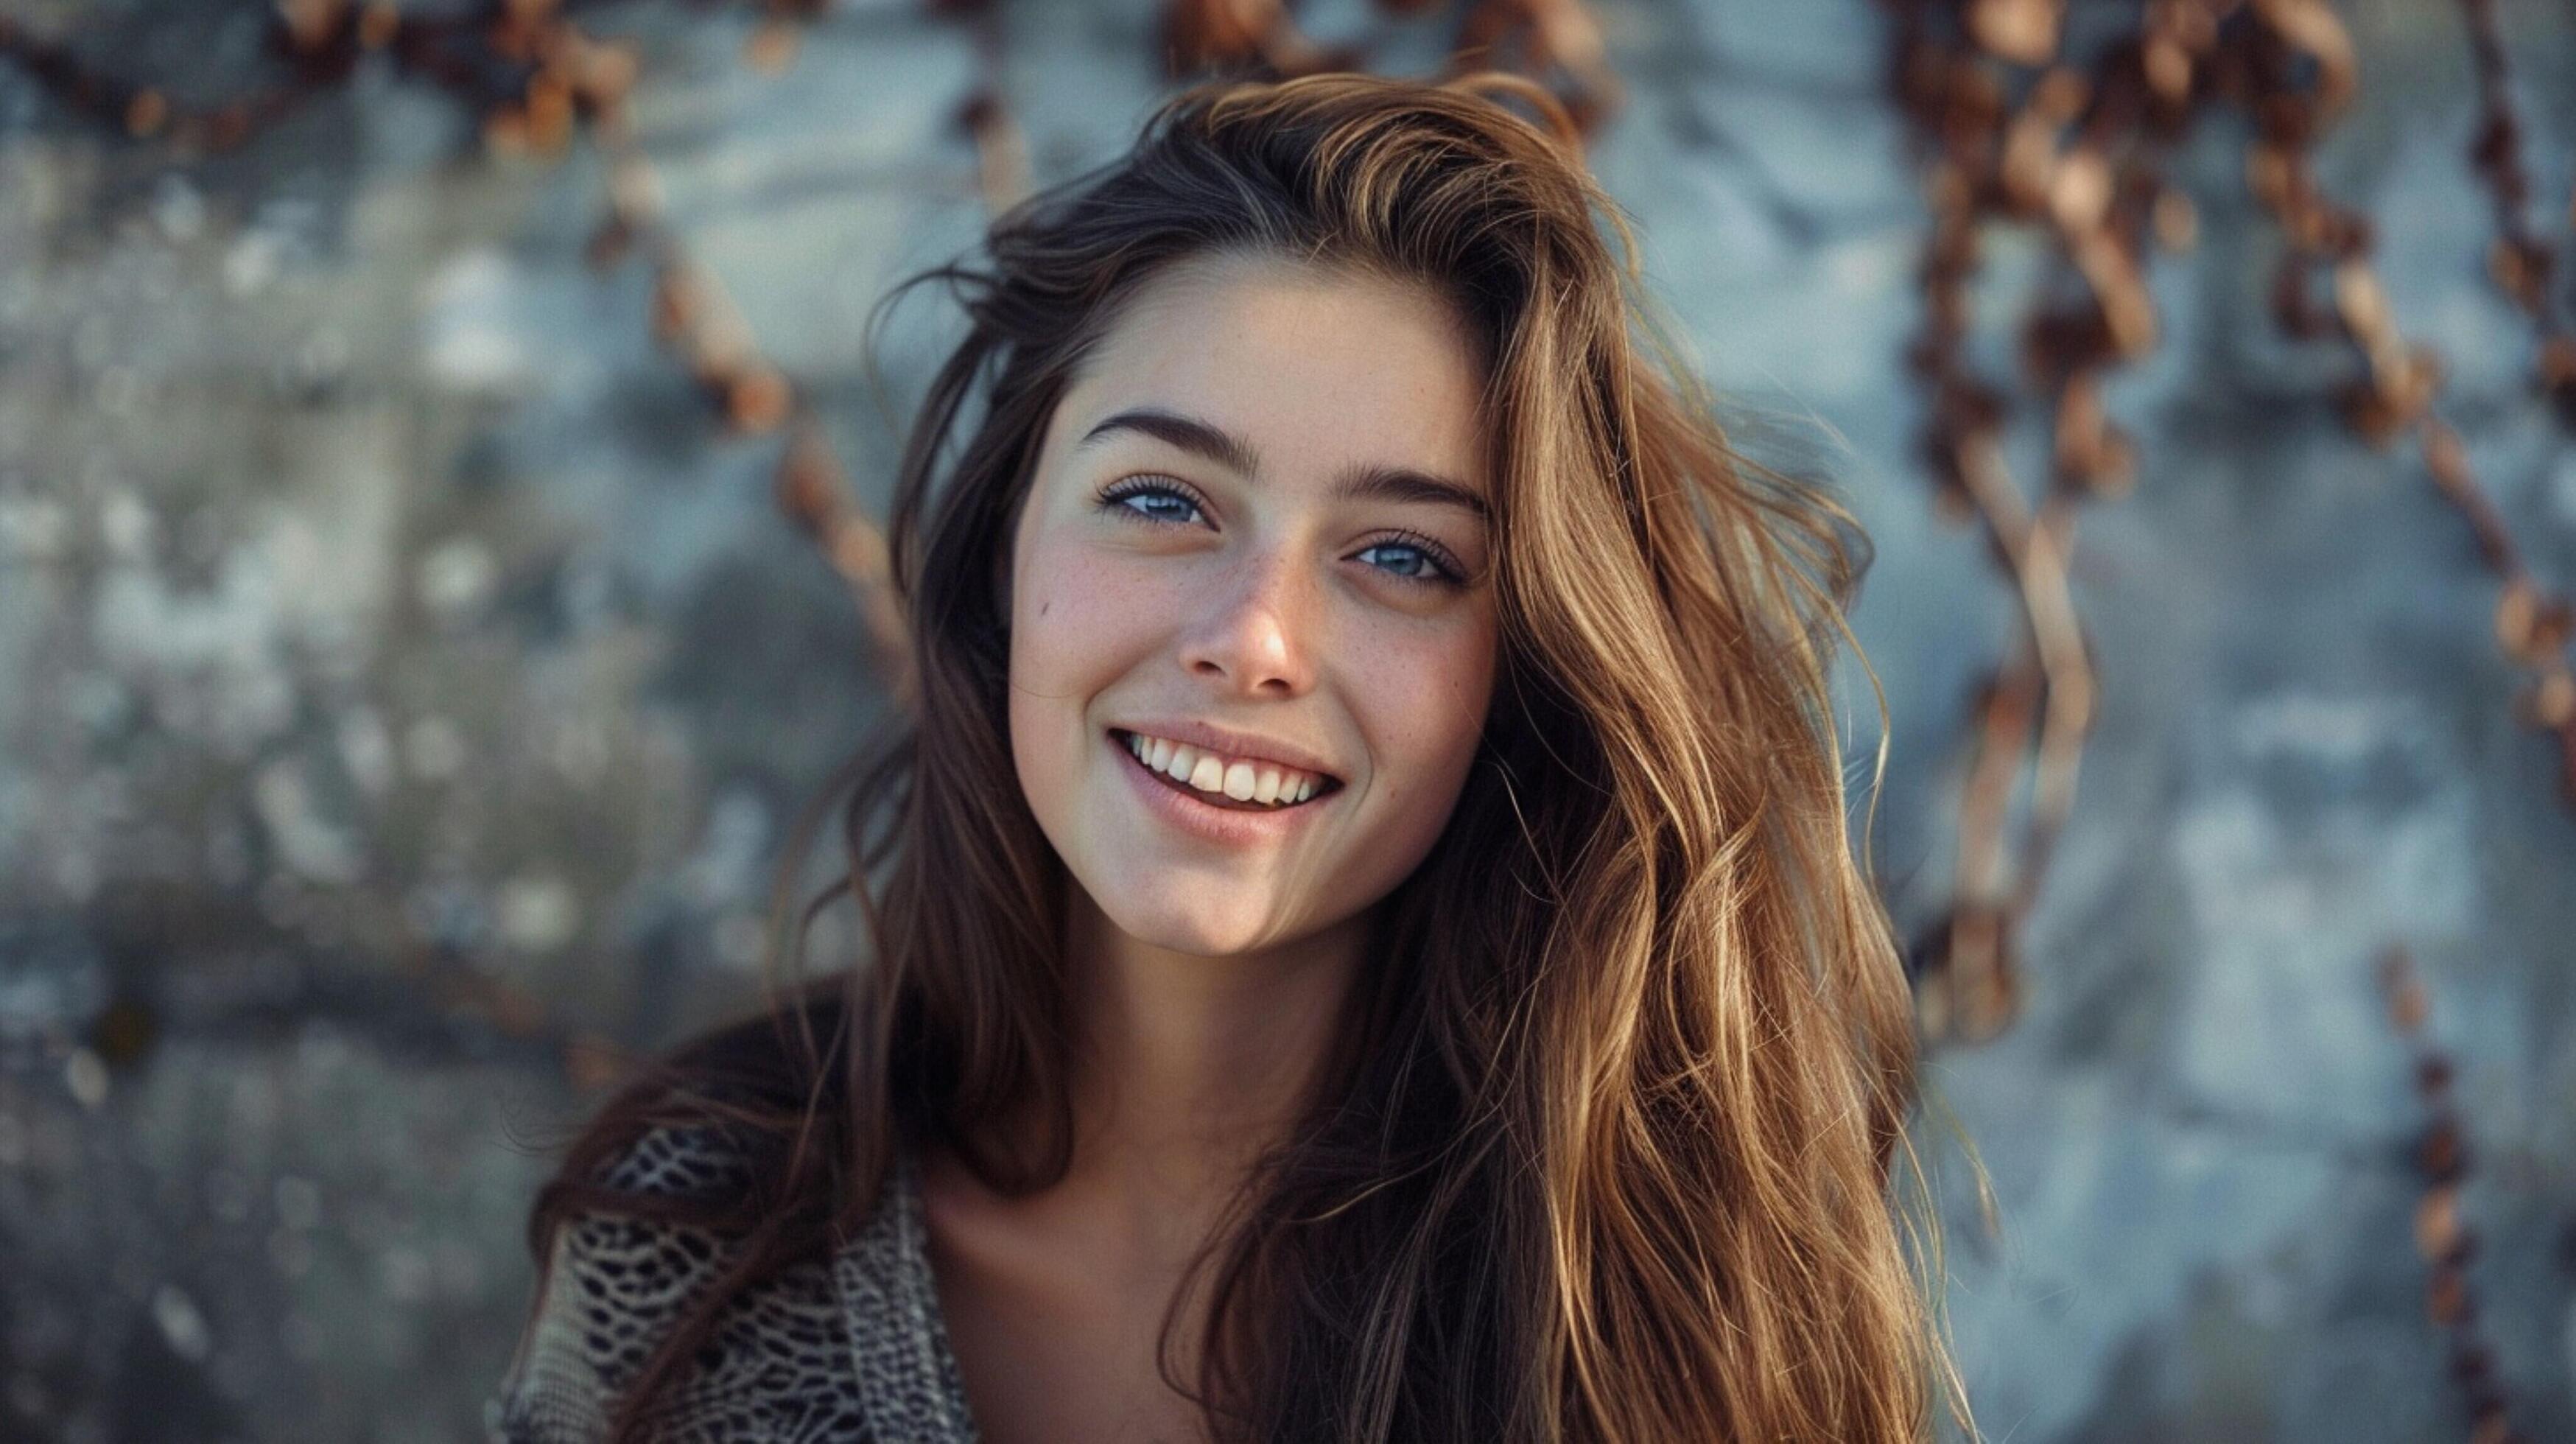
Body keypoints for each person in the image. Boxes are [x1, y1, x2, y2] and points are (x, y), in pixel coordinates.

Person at [492, 69, 1968, 1444]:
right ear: (1005, 550)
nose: (1253, 637)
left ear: (1519, 669)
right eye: (1162, 499)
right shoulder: (695, 1245)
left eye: (1402, 554)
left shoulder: (1671, 1307)